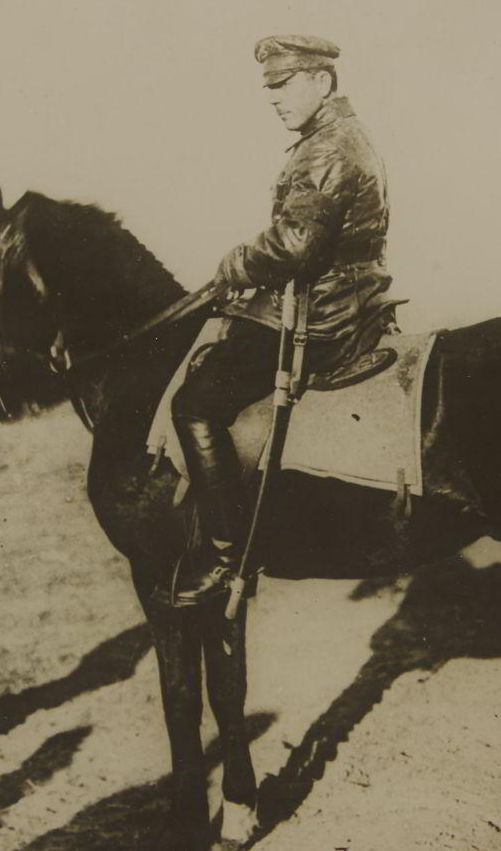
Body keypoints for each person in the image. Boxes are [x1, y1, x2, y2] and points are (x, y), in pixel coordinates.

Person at [165, 34, 395, 606]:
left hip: (322, 313)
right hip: (336, 298)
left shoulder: (328, 148)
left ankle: (222, 556)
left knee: (194, 404)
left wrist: (233, 263)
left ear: (322, 81)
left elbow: (294, 244)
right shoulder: (332, 139)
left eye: (285, 83)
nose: (274, 97)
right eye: (269, 87)